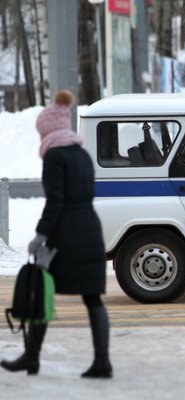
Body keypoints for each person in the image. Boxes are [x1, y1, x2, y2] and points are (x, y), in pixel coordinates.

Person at [0, 90, 112, 378]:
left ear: (49, 130)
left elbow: (56, 201)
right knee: (93, 299)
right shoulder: (82, 155)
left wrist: (40, 236)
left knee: (38, 291)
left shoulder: (54, 157)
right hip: (90, 231)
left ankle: (31, 358)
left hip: (66, 237)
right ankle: (102, 362)